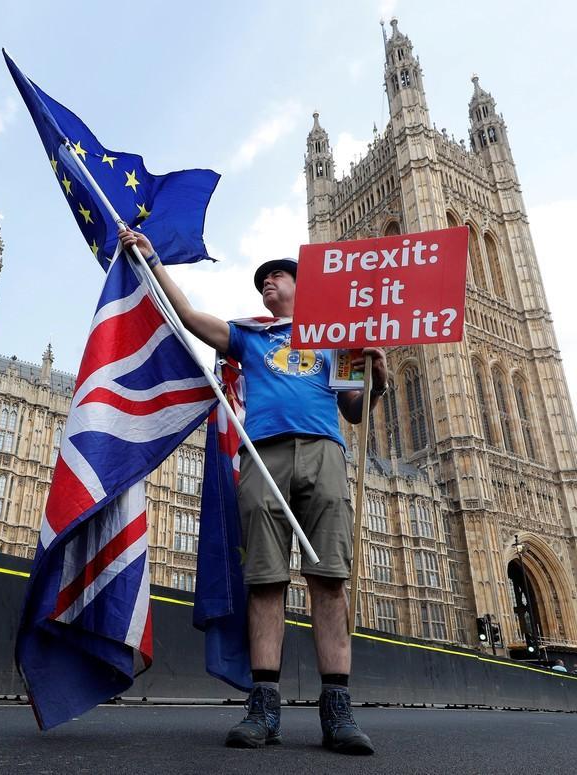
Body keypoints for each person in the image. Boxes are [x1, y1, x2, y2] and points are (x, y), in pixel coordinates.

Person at [121, 228, 386, 755]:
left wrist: (376, 375)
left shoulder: (340, 337)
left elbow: (356, 410)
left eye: (277, 276)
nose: (267, 283)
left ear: (301, 286)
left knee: (329, 580)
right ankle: (264, 705)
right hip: (262, 454)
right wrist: (153, 262)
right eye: (262, 279)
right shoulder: (251, 336)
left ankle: (338, 710)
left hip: (324, 450)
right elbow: (194, 321)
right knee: (265, 580)